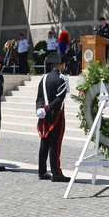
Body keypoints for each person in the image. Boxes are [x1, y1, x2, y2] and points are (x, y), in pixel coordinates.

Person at [36, 52, 70, 182]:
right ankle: (56, 173)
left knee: (44, 143)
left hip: (43, 116)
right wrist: (48, 109)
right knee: (55, 145)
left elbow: (39, 97)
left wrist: (40, 109)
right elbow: (59, 100)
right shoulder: (61, 79)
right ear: (61, 65)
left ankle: (42, 171)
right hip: (55, 115)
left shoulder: (43, 78)